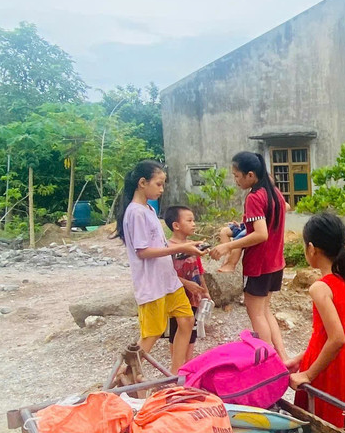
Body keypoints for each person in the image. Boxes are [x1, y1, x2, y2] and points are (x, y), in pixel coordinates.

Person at [285, 211, 345, 430]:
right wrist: (301, 359)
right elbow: (334, 335)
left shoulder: (321, 288)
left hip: (329, 370)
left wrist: (308, 373)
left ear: (311, 248)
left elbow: (337, 338)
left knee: (324, 428)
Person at [116, 161, 203, 371]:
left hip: (168, 281)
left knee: (186, 320)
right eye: (159, 184)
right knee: (151, 334)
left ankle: (176, 373)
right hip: (152, 284)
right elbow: (143, 251)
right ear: (142, 183)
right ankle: (123, 375)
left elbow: (159, 245)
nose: (162, 189)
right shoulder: (135, 212)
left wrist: (186, 247)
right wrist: (182, 249)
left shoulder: (148, 209)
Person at [213, 151, 289, 360]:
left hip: (260, 264)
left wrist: (228, 247)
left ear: (251, 175)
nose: (235, 180)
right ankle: (281, 357)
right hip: (275, 263)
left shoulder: (255, 197)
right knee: (265, 311)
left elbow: (261, 234)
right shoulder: (275, 193)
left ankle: (267, 360)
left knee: (256, 313)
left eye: (237, 175)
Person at [162, 204, 211, 341]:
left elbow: (199, 271)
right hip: (176, 295)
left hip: (194, 295)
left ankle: (188, 361)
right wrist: (186, 283)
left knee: (192, 332)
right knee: (176, 330)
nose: (194, 224)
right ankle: (177, 361)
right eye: (189, 221)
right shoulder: (167, 248)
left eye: (193, 220)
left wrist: (205, 291)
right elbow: (166, 274)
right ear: (176, 225)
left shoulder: (194, 246)